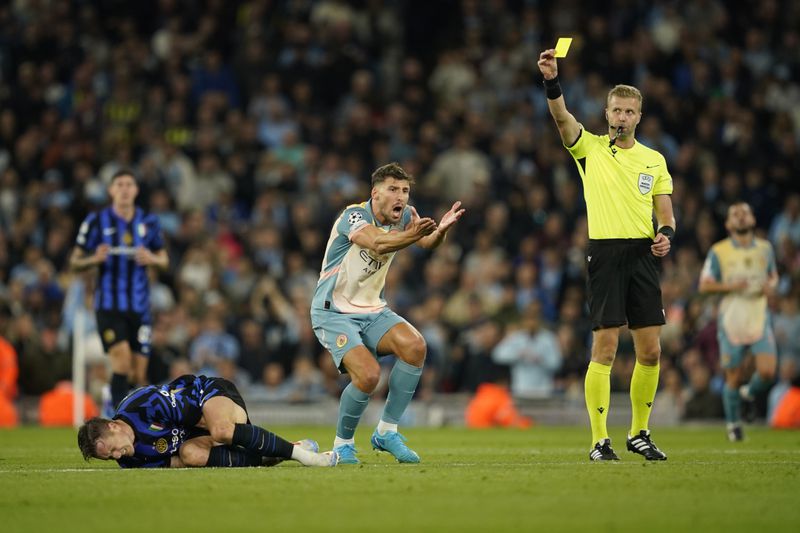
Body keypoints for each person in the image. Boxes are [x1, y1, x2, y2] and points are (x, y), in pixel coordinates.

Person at [538, 49, 676, 461]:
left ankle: (639, 432)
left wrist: (665, 234)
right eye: (615, 109)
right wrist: (552, 82)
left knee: (650, 351)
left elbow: (665, 212)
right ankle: (600, 440)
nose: (621, 116)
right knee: (605, 350)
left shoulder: (654, 159)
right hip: (605, 252)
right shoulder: (590, 149)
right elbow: (562, 120)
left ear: (638, 116)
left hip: (642, 257)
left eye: (628, 111)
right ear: (606, 112)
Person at [310, 162, 464, 464]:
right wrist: (413, 235)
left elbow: (426, 243)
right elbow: (378, 242)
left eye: (405, 191)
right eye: (393, 190)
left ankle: (386, 431)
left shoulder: (405, 216)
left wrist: (440, 232)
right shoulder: (353, 216)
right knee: (368, 376)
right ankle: (343, 445)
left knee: (415, 346)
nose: (401, 197)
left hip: (373, 309)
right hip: (334, 311)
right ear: (375, 193)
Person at [77, 373, 337, 468]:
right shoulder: (130, 460)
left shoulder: (141, 405)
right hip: (194, 432)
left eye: (111, 448)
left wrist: (219, 434)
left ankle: (305, 457)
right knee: (190, 455)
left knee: (222, 429)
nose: (117, 456)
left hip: (208, 393)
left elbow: (194, 411)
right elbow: (175, 461)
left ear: (113, 426)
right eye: (109, 458)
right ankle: (278, 453)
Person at [70, 170, 169, 412]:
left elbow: (165, 260)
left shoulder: (149, 222)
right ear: (111, 190)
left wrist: (152, 258)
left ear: (136, 190)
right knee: (121, 361)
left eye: (129, 184)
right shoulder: (96, 221)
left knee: (138, 372)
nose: (124, 189)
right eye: (119, 184)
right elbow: (74, 262)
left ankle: (113, 399)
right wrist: (95, 258)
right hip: (108, 306)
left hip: (140, 307)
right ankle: (118, 419)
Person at [699, 202, 778, 441]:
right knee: (732, 376)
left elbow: (773, 277)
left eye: (745, 213)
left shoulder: (765, 249)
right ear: (728, 224)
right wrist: (730, 286)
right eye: (736, 214)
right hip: (732, 319)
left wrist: (770, 287)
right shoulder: (719, 251)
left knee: (766, 372)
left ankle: (748, 392)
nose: (741, 217)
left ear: (753, 220)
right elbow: (704, 285)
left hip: (758, 315)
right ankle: (733, 424)